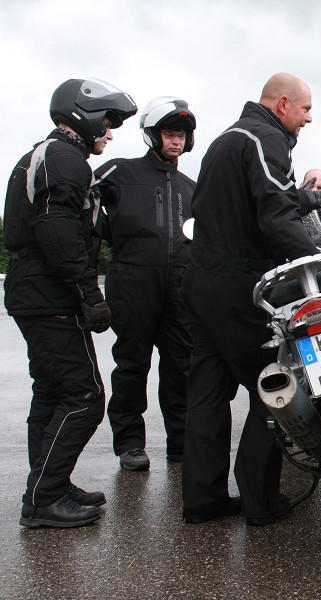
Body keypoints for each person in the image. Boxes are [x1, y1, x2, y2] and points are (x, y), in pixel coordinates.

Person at [181, 73, 321, 525]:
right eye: (306, 109)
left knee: (206, 394)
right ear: (283, 103)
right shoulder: (266, 137)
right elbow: (275, 215)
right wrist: (318, 266)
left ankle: (202, 500)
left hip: (201, 281)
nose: (309, 117)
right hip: (237, 282)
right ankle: (261, 503)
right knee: (277, 385)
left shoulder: (227, 138)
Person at [4, 78, 136, 527]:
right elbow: (56, 231)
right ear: (85, 115)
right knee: (85, 396)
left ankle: (49, 484)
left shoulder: (42, 154)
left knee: (51, 391)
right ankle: (43, 498)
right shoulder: (65, 158)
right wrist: (89, 292)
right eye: (109, 122)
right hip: (48, 292)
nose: (111, 132)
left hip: (31, 290)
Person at [93, 96, 197, 472]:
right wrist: (111, 236)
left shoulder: (191, 186)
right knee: (132, 364)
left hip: (179, 288)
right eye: (170, 133)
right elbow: (81, 203)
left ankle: (181, 444)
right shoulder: (120, 171)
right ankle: (130, 444)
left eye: (182, 135)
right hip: (133, 283)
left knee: (180, 368)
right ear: (153, 135)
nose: (176, 141)